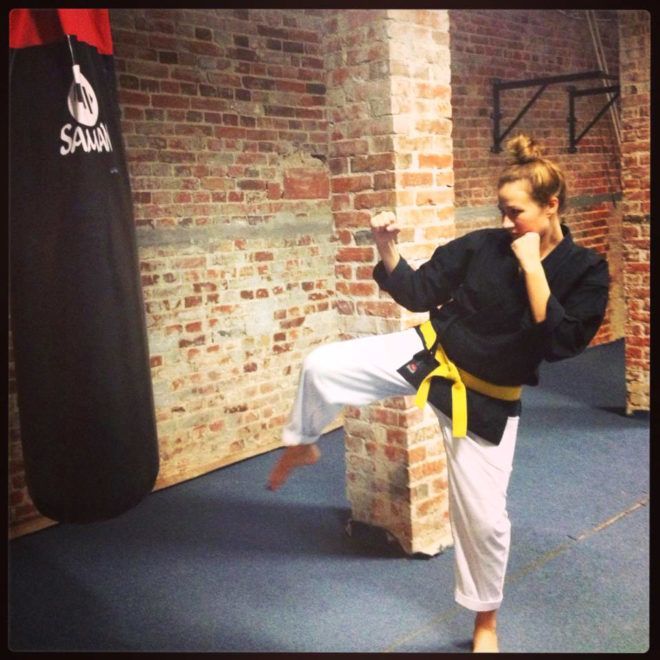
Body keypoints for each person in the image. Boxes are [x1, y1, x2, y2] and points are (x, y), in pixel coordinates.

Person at [266, 134, 609, 653]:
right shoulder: (483, 245)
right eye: (501, 210)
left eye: (515, 212)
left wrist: (533, 266)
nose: (505, 222)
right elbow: (419, 291)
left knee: (485, 522)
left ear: (551, 206)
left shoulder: (585, 269)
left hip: (487, 398)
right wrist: (386, 246)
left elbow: (560, 342)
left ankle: (485, 622)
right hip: (430, 354)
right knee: (322, 364)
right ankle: (304, 442)